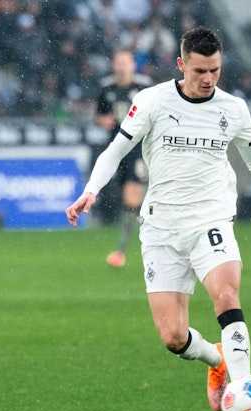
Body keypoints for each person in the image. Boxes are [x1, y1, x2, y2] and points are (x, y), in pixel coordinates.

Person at [66, 27, 251, 411]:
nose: (209, 79)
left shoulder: (233, 108)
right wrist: (91, 190)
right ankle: (217, 360)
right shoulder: (152, 101)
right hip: (161, 228)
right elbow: (115, 151)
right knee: (173, 337)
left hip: (211, 220)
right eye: (200, 71)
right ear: (181, 65)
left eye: (215, 70)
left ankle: (243, 393)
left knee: (226, 295)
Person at [95, 48, 153, 268]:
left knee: (131, 197)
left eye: (125, 62)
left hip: (138, 148)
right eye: (118, 62)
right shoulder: (106, 88)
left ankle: (122, 250)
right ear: (113, 65)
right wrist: (103, 121)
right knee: (130, 201)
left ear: (132, 65)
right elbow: (99, 115)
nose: (121, 67)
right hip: (117, 149)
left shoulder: (144, 87)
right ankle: (149, 230)